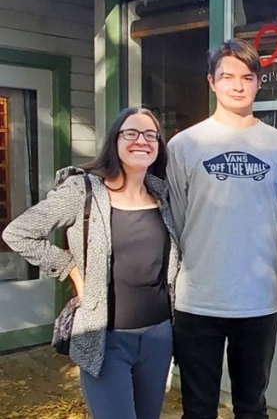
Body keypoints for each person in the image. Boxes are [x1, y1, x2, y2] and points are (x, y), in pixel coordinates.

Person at [3, 107, 180, 419]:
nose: (142, 140)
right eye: (131, 133)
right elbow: (18, 233)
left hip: (158, 336)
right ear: (114, 140)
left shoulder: (162, 195)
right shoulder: (83, 191)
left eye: (151, 135)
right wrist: (71, 269)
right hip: (105, 337)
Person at [167, 38, 277, 419]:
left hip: (258, 300)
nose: (237, 85)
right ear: (212, 82)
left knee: (251, 406)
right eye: (227, 76)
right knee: (197, 407)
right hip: (197, 299)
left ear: (259, 82)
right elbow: (177, 217)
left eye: (247, 76)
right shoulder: (184, 145)